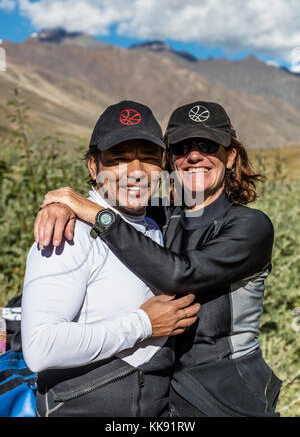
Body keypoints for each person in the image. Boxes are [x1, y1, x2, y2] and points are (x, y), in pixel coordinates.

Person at [35, 100, 282, 417]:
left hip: (227, 397)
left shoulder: (250, 226)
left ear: (231, 156)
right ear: (169, 159)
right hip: (161, 395)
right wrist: (62, 207)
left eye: (208, 145)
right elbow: (112, 209)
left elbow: (179, 275)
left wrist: (93, 212)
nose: (193, 156)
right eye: (181, 147)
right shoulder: (158, 217)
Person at [21, 100, 200, 418]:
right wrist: (143, 324)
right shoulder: (68, 232)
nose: (136, 172)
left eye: (148, 157)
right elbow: (40, 346)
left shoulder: (153, 226)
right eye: (118, 159)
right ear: (93, 166)